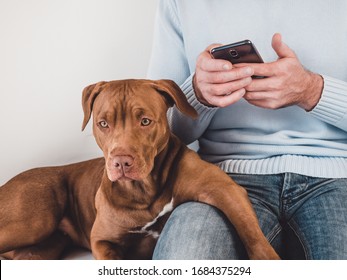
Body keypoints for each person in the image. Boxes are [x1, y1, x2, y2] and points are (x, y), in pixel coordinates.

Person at [147, 0, 347, 259]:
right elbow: (158, 134)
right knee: (185, 258)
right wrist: (197, 94)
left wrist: (312, 91)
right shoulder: (179, 4)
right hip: (221, 179)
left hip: (337, 175)